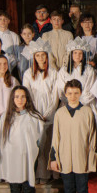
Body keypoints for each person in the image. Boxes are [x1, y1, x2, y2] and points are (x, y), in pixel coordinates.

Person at [51, 79, 97, 193]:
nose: (73, 96)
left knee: (82, 188)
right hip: (65, 156)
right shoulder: (59, 113)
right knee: (69, 189)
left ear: (80, 93)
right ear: (65, 94)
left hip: (81, 156)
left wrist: (91, 158)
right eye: (70, 93)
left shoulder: (87, 112)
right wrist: (54, 158)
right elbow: (55, 137)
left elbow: (92, 137)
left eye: (76, 93)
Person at [0, 86, 46, 193]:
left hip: (28, 157)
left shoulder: (34, 116)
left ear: (27, 98)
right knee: (14, 189)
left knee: (28, 187)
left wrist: (33, 152)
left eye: (23, 96)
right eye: (17, 97)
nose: (20, 100)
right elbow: (2, 140)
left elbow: (41, 138)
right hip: (11, 158)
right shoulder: (6, 117)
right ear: (12, 99)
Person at [22, 39, 59, 182]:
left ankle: (49, 174)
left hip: (49, 113)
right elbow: (27, 95)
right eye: (37, 55)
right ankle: (37, 174)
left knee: (48, 144)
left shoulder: (54, 73)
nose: (41, 58)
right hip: (34, 113)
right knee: (36, 145)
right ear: (34, 57)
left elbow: (55, 95)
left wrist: (48, 113)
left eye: (43, 55)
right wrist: (35, 114)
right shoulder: (28, 73)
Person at [55, 38, 97, 107]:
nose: (77, 55)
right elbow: (61, 88)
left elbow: (90, 88)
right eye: (75, 53)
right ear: (71, 54)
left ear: (83, 55)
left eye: (80, 53)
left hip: (85, 104)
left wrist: (80, 104)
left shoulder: (89, 70)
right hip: (67, 104)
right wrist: (70, 102)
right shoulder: (64, 70)